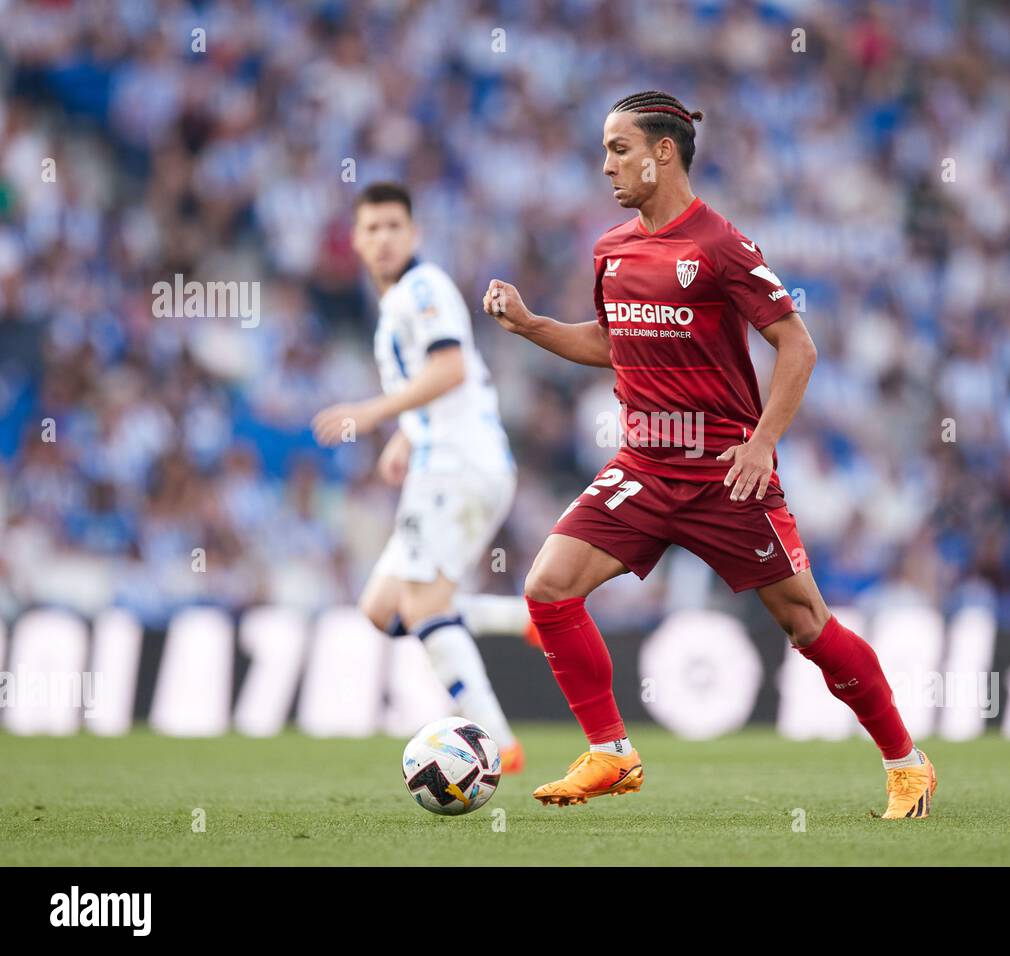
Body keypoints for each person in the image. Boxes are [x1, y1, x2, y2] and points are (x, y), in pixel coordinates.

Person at [483, 92, 936, 817]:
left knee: (807, 626)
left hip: (725, 471)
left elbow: (798, 344)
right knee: (548, 587)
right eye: (605, 151)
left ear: (664, 153)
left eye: (619, 149)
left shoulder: (721, 246)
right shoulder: (611, 250)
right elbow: (609, 343)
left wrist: (762, 444)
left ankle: (906, 763)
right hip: (642, 465)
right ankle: (610, 752)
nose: (606, 166)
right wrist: (533, 325)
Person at [315, 182, 525, 773]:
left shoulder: (424, 287)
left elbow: (452, 367)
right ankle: (516, 618)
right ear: (356, 241)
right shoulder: (397, 305)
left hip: (458, 465)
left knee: (425, 605)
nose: (382, 239)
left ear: (414, 234)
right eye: (371, 229)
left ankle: (499, 746)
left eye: (393, 227)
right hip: (449, 459)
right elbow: (444, 380)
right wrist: (408, 433)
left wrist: (373, 414)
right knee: (383, 608)